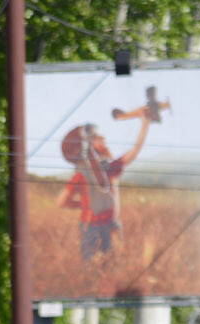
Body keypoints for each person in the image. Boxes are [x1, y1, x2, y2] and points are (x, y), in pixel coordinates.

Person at [56, 108, 152, 261]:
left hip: (111, 225)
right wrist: (83, 205)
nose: (102, 140)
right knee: (94, 270)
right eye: (96, 139)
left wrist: (145, 124)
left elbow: (134, 151)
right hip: (93, 227)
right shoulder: (81, 175)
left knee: (112, 269)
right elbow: (61, 201)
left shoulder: (109, 168)